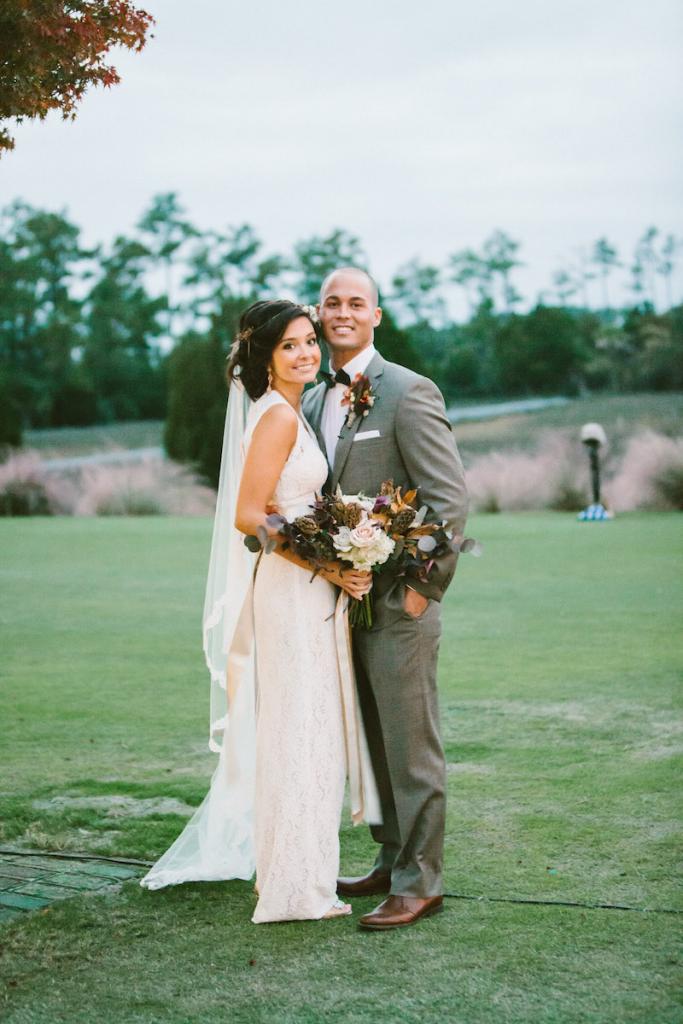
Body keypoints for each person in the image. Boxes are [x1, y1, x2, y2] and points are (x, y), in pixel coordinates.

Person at [140, 299, 380, 923]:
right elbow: (251, 515)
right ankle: (294, 890)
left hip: (304, 590)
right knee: (299, 732)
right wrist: (329, 564)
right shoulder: (275, 418)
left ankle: (290, 874)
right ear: (265, 359)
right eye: (290, 346)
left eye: (309, 342)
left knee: (306, 730)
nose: (307, 353)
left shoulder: (289, 413)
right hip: (292, 591)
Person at [303, 268, 468, 930]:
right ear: (318, 314)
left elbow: (447, 500)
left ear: (376, 314)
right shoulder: (315, 397)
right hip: (343, 601)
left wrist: (423, 591)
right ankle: (389, 858)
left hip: (400, 604)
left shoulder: (407, 390)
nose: (342, 313)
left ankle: (420, 880)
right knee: (372, 744)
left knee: (410, 745)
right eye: (331, 303)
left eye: (355, 303)